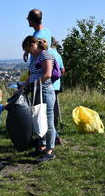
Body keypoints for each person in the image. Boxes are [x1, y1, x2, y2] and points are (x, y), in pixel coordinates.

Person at [24, 9, 62, 145]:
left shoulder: (39, 35)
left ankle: (50, 142)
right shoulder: (47, 31)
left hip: (45, 84)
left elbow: (43, 58)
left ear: (32, 20)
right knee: (44, 115)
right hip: (44, 84)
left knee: (47, 116)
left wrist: (34, 83)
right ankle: (45, 140)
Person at [21, 35, 57, 162]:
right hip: (36, 92)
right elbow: (31, 75)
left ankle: (49, 150)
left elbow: (47, 74)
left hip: (45, 92)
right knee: (38, 119)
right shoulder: (34, 57)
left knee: (48, 120)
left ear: (32, 45)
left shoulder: (45, 55)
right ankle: (41, 146)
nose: (27, 52)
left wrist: (34, 84)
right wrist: (23, 87)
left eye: (27, 49)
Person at [50, 37, 65, 138]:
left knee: (49, 108)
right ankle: (55, 126)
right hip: (57, 84)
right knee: (55, 106)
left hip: (48, 83)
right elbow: (62, 70)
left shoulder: (46, 53)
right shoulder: (57, 54)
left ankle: (52, 129)